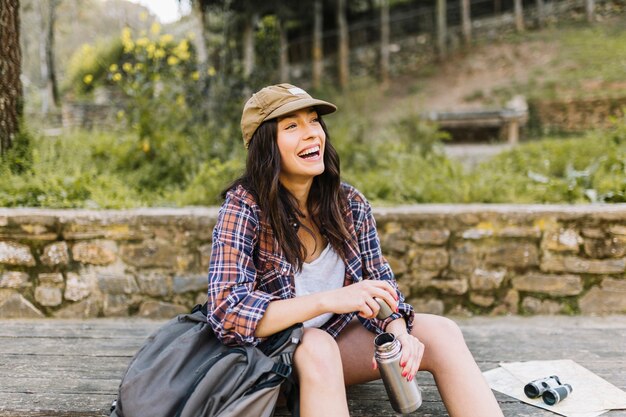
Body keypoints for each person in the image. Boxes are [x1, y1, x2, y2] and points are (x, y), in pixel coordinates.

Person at [206, 83, 504, 417]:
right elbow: (226, 311)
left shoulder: (348, 203)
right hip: (264, 363)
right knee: (316, 343)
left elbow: (381, 287)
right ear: (265, 146)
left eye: (314, 121)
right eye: (291, 126)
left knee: (442, 332)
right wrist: (326, 300)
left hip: (332, 351)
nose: (311, 134)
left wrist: (398, 331)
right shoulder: (244, 207)